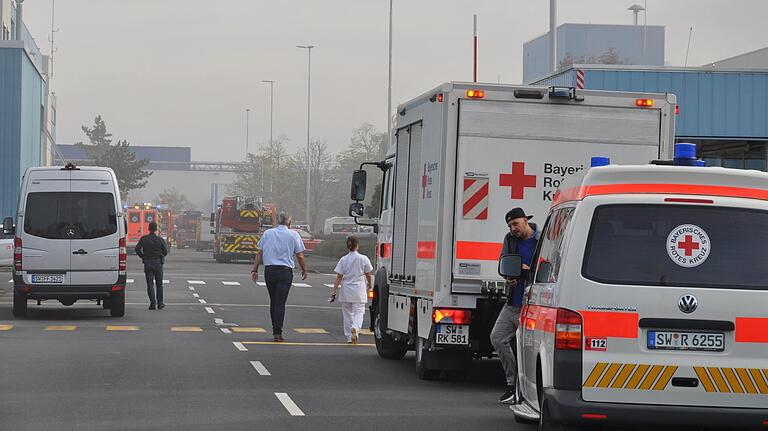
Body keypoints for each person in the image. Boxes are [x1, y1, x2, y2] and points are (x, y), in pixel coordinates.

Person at [490, 207, 539, 404]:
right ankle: (512, 384)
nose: (513, 228)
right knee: (497, 338)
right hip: (512, 303)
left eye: (515, 224)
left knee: (527, 349)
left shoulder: (541, 240)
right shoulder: (509, 240)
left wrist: (529, 271)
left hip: (532, 306)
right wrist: (508, 276)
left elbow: (551, 267)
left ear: (526, 220)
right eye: (510, 225)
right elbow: (503, 263)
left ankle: (526, 390)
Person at [250, 212, 308, 342]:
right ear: (289, 223)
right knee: (280, 302)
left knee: (273, 300)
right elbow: (300, 255)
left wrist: (254, 269)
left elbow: (260, 252)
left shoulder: (268, 233)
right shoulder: (294, 235)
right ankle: (278, 332)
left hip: (270, 271)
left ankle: (275, 330)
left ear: (277, 221)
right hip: (285, 272)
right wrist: (304, 269)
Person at [329, 236, 373, 344]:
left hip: (346, 290)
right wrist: (370, 285)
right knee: (359, 311)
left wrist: (334, 290)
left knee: (347, 314)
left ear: (347, 246)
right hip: (359, 290)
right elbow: (368, 273)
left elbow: (339, 276)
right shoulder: (363, 258)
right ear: (357, 245)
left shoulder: (343, 259)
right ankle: (356, 328)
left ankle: (349, 337)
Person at [135, 221, 169, 310]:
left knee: (150, 284)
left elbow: (137, 249)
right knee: (159, 284)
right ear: (156, 229)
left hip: (148, 263)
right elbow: (165, 251)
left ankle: (152, 303)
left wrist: (143, 257)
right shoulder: (160, 239)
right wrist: (160, 255)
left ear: (148, 229)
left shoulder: (144, 239)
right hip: (158, 263)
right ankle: (160, 303)